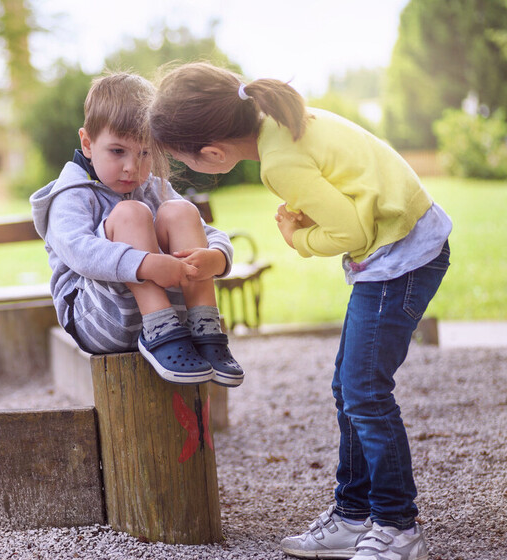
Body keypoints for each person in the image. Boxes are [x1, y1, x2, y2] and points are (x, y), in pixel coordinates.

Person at [148, 62, 451, 560]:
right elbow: (351, 189)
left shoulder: (277, 162)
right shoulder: (283, 120)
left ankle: (398, 526)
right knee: (350, 387)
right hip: (403, 242)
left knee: (365, 391)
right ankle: (353, 516)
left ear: (213, 153)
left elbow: (351, 234)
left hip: (402, 257)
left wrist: (298, 238)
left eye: (184, 161)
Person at [30, 72, 244, 387]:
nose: (132, 166)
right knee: (131, 213)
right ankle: (160, 330)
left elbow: (205, 230)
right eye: (118, 151)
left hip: (176, 322)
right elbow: (79, 251)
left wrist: (217, 256)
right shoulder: (71, 195)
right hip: (100, 319)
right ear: (88, 144)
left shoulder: (154, 187)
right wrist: (144, 264)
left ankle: (205, 327)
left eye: (144, 153)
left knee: (181, 210)